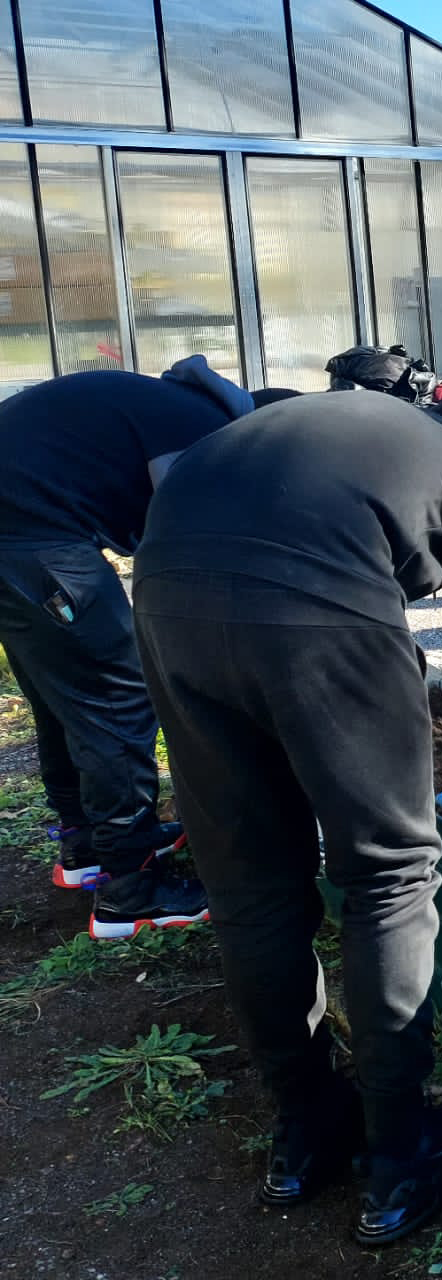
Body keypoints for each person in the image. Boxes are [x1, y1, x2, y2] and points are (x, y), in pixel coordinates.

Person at [132, 392, 442, 1244]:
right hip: (312, 606)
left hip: (166, 599)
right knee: (388, 876)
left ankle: (305, 1131)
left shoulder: (346, 426)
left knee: (251, 887)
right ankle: (399, 1158)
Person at [0, 360, 252, 938]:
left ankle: (86, 847)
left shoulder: (156, 404)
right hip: (36, 544)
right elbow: (183, 535)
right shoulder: (201, 433)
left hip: (18, 537)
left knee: (61, 698)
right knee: (117, 699)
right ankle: (132, 891)